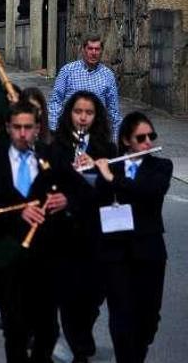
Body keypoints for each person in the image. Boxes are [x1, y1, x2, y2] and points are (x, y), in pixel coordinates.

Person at [0, 101, 82, 363]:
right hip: (8, 251)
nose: (23, 134)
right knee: (15, 330)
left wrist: (67, 200)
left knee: (47, 329)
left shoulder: (52, 156)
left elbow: (82, 192)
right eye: (17, 128)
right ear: (9, 128)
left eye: (28, 128)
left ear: (37, 129)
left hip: (47, 255)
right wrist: (17, 212)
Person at [93, 112, 171, 363]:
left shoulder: (161, 166)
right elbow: (93, 201)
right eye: (141, 137)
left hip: (149, 252)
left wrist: (112, 179)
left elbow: (149, 192)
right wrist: (87, 171)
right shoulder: (109, 165)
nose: (148, 142)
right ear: (127, 140)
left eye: (151, 136)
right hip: (116, 253)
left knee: (149, 317)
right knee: (120, 314)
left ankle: (137, 352)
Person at [53, 91, 117, 363]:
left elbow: (109, 190)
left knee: (93, 294)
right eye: (78, 112)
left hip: (95, 231)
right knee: (68, 293)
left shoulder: (106, 149)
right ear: (69, 114)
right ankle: (79, 345)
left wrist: (93, 171)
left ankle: (84, 329)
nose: (82, 118)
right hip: (65, 232)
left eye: (88, 113)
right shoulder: (57, 146)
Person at [48, 34, 122, 135]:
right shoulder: (67, 71)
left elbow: (113, 110)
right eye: (90, 48)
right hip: (70, 131)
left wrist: (115, 139)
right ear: (83, 50)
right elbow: (56, 101)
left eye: (97, 49)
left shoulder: (108, 75)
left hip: (97, 133)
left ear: (101, 51)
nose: (93, 52)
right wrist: (53, 130)